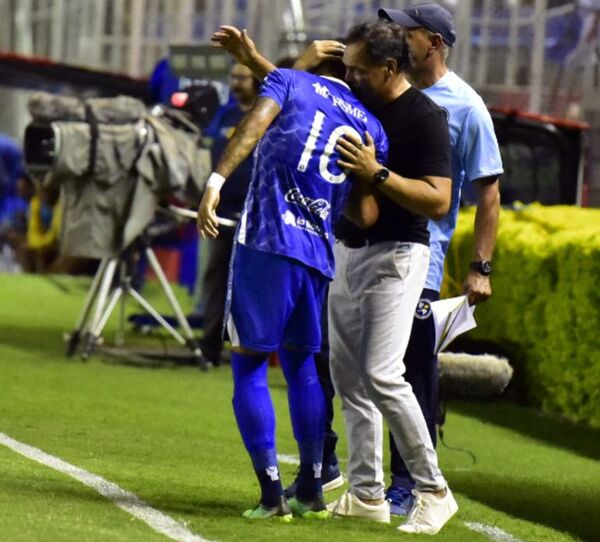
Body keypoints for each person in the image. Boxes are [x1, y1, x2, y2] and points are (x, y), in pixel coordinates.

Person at [198, 25, 388, 521]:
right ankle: (311, 487)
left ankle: (270, 494)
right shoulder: (373, 128)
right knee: (304, 367)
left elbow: (255, 124)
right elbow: (366, 216)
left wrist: (216, 181)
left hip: (266, 239)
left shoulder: (291, 83)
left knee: (249, 364)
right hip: (318, 255)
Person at [322, 21, 458, 535]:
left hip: (399, 254)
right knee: (349, 379)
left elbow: (439, 199)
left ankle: (434, 490)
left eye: (359, 69)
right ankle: (366, 493)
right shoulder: (357, 101)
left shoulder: (424, 116)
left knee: (382, 375)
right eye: (347, 67)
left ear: (390, 68)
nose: (349, 76)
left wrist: (376, 173)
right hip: (350, 248)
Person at [377, 3, 503, 516]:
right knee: (360, 367)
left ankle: (412, 483)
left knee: (410, 374)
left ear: (432, 41)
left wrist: (481, 266)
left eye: (403, 31)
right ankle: (352, 473)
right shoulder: (385, 88)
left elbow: (488, 193)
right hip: (366, 247)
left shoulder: (466, 108)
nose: (394, 38)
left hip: (419, 261)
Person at [197, 63, 259, 367]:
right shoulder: (224, 115)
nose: (236, 83)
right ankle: (209, 349)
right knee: (216, 280)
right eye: (232, 77)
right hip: (222, 214)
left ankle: (250, 351)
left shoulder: (266, 114)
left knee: (251, 284)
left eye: (242, 77)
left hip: (256, 215)